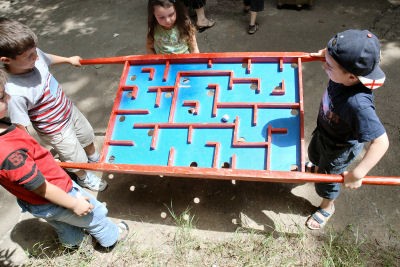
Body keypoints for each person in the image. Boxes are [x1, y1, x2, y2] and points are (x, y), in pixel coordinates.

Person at [0, 69, 129, 249]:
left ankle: (73, 242)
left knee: (61, 222)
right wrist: (74, 203)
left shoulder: (4, 129)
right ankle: (111, 237)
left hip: (35, 202)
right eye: (1, 97)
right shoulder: (8, 152)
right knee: (95, 215)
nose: (9, 98)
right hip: (56, 193)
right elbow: (40, 187)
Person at [0, 17, 107, 192]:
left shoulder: (35, 56)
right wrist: (33, 149)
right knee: (74, 156)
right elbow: (21, 126)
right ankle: (84, 176)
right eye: (29, 56)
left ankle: (93, 156)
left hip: (69, 110)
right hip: (55, 128)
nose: (35, 56)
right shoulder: (14, 92)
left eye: (35, 51)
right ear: (6, 60)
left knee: (86, 134)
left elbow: (46, 58)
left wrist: (67, 59)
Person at [305, 29, 389, 230]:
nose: (325, 65)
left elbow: (381, 141)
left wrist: (359, 172)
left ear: (351, 76)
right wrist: (326, 55)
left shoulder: (358, 104)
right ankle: (316, 167)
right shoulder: (342, 75)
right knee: (314, 154)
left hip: (339, 148)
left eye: (329, 65)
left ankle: (327, 206)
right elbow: (331, 54)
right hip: (324, 131)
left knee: (327, 180)